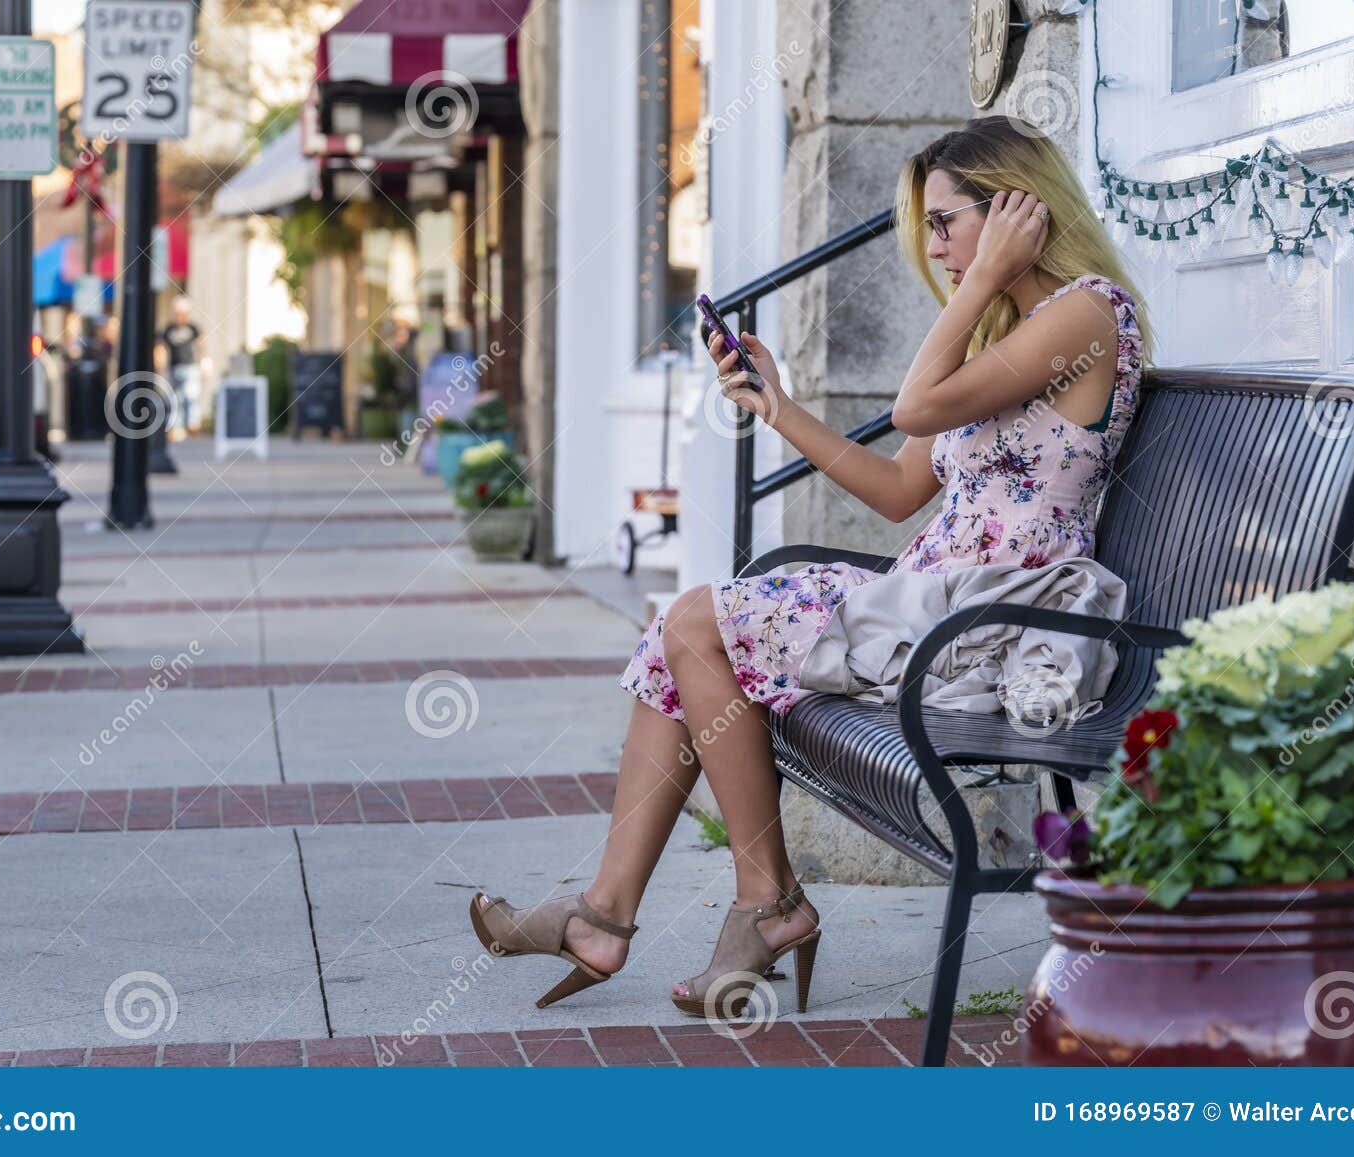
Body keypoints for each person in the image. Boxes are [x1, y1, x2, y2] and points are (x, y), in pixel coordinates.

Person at [468, 115, 1153, 1018]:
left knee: (699, 625)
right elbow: (904, 488)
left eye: (947, 222)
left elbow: (912, 407)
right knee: (679, 635)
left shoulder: (1083, 313)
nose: (937, 247)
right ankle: (616, 913)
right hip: (929, 601)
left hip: (993, 620)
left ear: (1019, 207)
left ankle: (760, 904)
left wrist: (982, 281)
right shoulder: (1014, 332)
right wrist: (778, 406)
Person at [158, 296, 206, 439]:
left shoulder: (193, 328)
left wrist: (205, 363)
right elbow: (161, 346)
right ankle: (176, 427)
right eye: (178, 313)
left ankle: (192, 425)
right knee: (175, 398)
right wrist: (160, 364)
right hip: (173, 367)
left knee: (191, 396)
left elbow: (202, 345)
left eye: (183, 313)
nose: (180, 316)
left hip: (191, 367)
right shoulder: (168, 328)